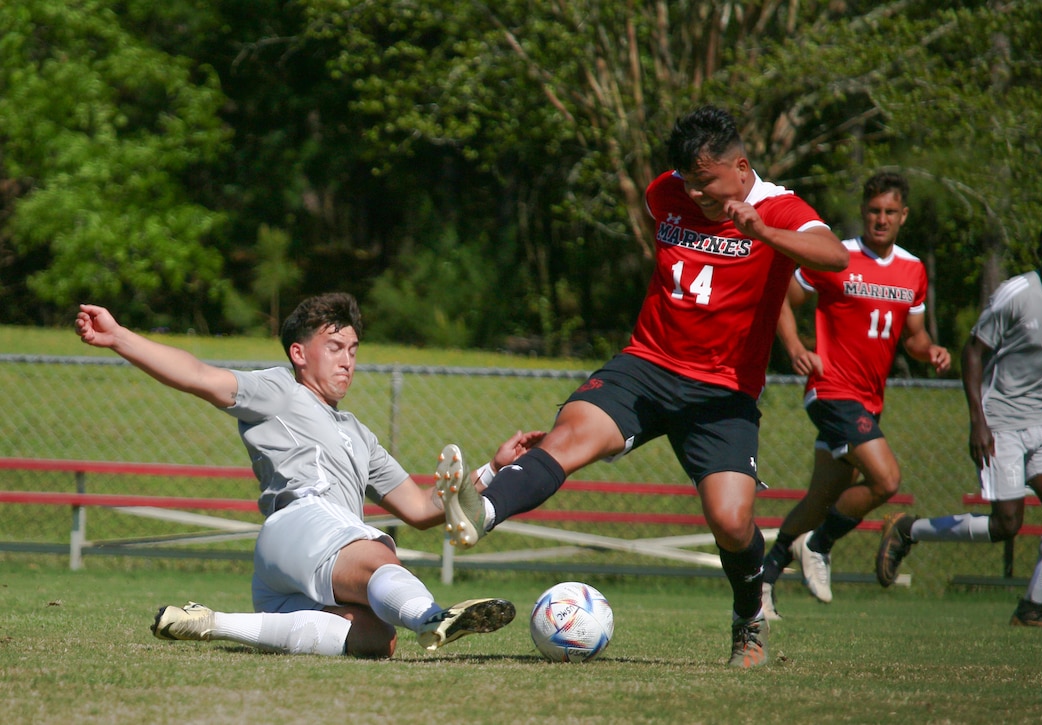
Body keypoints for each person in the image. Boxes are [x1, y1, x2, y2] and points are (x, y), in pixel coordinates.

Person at [436, 105, 848, 668]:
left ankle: (749, 618)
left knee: (731, 522)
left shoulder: (780, 208)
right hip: (647, 364)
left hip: (721, 393)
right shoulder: (666, 191)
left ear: (741, 166)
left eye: (707, 183)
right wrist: (693, 191)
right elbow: (675, 203)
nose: (695, 194)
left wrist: (763, 231)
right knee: (568, 438)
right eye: (688, 182)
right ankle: (481, 512)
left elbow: (835, 256)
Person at [75, 293, 545, 658]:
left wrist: (493, 468)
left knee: (375, 638)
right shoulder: (279, 389)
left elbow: (422, 510)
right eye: (335, 347)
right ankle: (431, 617)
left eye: (354, 350)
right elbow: (197, 373)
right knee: (380, 552)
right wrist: (119, 337)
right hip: (303, 523)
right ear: (299, 353)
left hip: (286, 566)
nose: (347, 361)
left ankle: (214, 623)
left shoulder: (360, 435)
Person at [876, 218, 1042, 627]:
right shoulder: (1016, 294)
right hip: (1000, 420)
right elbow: (973, 352)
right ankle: (908, 530)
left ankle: (1032, 608)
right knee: (1006, 523)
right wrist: (979, 421)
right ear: (1040, 250)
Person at [760, 172, 950, 618]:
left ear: (903, 215)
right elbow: (779, 300)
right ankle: (820, 544)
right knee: (886, 480)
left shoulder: (912, 269)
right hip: (830, 390)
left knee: (821, 498)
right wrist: (795, 348)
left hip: (868, 401)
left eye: (889, 212)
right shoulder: (836, 256)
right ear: (863, 213)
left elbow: (914, 339)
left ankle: (764, 581)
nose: (880, 219)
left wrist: (933, 353)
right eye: (873, 211)